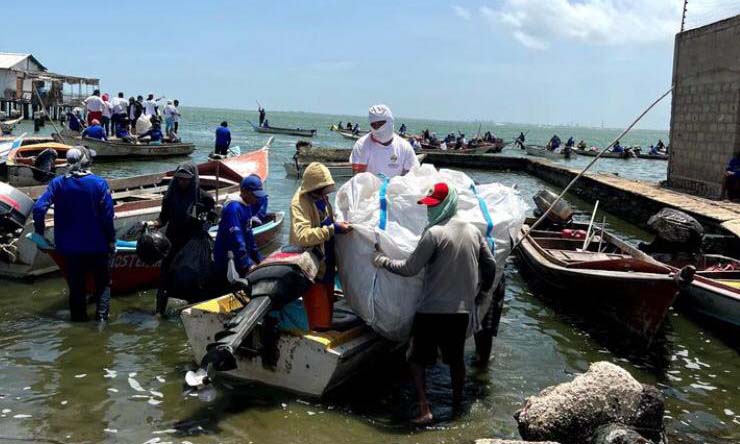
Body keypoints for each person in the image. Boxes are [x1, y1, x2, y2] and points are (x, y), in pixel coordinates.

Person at [372, 182, 495, 424]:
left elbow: (409, 268)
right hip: (461, 313)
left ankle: (424, 409)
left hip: (431, 311)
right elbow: (489, 264)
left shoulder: (434, 234)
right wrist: (484, 292)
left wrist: (382, 260)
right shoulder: (473, 231)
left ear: (445, 204)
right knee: (456, 360)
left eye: (433, 205)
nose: (430, 211)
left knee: (416, 359)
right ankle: (458, 408)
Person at [32, 148, 114, 322]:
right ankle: (101, 323)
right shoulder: (99, 183)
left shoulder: (58, 183)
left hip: (69, 248)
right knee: (102, 285)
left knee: (76, 288)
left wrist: (40, 232)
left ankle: (78, 323)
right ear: (87, 162)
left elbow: (39, 208)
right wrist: (111, 240)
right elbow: (108, 216)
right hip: (97, 246)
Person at [289, 162, 352, 330]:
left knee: (328, 301)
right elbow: (302, 236)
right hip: (313, 265)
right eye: (320, 190)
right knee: (319, 315)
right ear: (311, 189)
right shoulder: (299, 203)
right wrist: (333, 229)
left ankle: (325, 323)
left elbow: (327, 218)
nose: (324, 193)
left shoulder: (321, 197)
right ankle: (318, 332)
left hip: (328, 260)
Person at [154, 163, 216, 315]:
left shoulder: (204, 198)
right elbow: (163, 218)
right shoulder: (170, 196)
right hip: (173, 240)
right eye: (180, 178)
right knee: (165, 277)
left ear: (193, 179)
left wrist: (210, 218)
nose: (182, 182)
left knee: (193, 278)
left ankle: (191, 312)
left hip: (193, 242)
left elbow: (212, 219)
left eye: (186, 179)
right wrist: (152, 225)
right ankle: (159, 312)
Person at [213, 175, 267, 280]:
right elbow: (236, 240)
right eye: (254, 195)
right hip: (228, 259)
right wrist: (248, 264)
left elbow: (249, 236)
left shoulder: (247, 207)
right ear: (244, 191)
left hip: (239, 257)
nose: (257, 199)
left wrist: (260, 259)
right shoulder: (233, 209)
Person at [350, 104, 419, 177]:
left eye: (380, 124)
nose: (377, 128)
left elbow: (413, 174)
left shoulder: (404, 147)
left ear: (390, 122)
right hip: (369, 188)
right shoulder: (361, 145)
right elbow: (358, 178)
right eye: (374, 125)